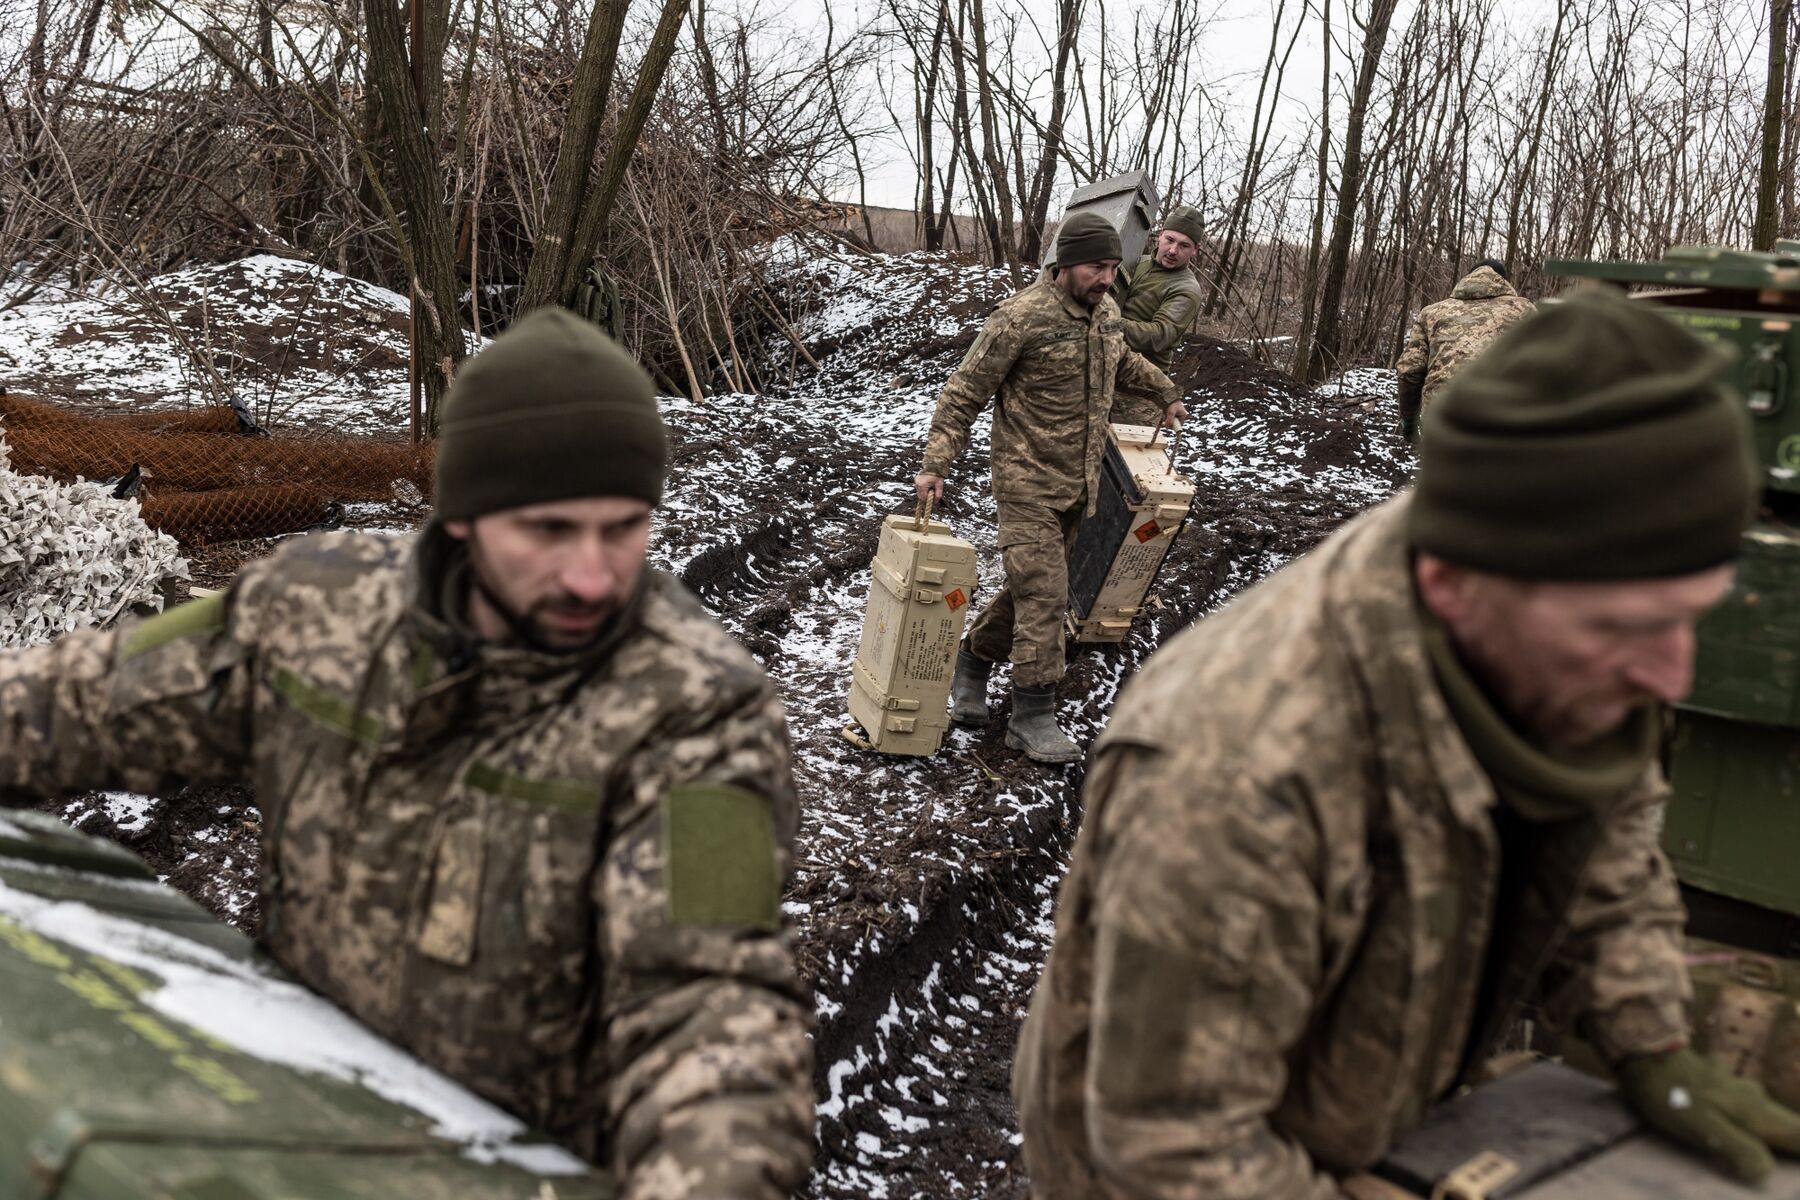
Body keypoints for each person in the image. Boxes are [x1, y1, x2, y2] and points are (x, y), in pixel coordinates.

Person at [0, 308, 814, 1197]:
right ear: (461, 516)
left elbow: (711, 1010)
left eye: (622, 527)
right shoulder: (312, 609)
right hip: (298, 1117)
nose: (592, 574)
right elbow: (72, 700)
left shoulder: (696, 712)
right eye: (548, 530)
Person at [1013, 287, 1800, 1197]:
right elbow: (1172, 1149)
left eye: (1685, 619)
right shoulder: (1240, 764)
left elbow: (1606, 846)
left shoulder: (1576, 628)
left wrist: (1652, 1043)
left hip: (1375, 1101)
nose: (1667, 674)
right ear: (1459, 586)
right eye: (1628, 628)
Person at [915, 212, 1183, 764]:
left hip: (1079, 484)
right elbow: (963, 392)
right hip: (1025, 482)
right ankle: (1032, 714)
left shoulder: (1105, 312)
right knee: (1047, 594)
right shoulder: (1020, 318)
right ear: (1064, 264)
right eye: (1095, 267)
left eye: (1112, 267)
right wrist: (935, 463)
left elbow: (1122, 361)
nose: (1106, 278)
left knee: (1029, 590)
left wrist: (1164, 390)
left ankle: (972, 659)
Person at [1395, 257, 1535, 442]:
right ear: (1503, 281)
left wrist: (1409, 422)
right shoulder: (1524, 310)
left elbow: (1410, 370)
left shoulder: (1432, 313)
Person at [1110, 204, 1206, 427]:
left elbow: (1158, 336)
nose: (1173, 251)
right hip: (1107, 372)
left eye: (1184, 246)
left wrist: (1108, 324)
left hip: (1140, 392)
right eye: (1170, 240)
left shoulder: (1186, 289)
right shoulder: (1138, 262)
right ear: (1160, 235)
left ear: (1195, 250)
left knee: (1130, 457)